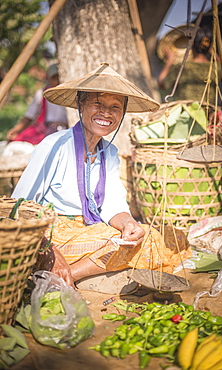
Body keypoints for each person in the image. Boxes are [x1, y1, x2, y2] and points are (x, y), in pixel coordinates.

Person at [12, 63, 192, 288]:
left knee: (168, 237)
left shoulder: (110, 152)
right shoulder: (54, 146)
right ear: (81, 104)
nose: (106, 113)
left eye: (115, 107)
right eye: (97, 103)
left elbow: (112, 204)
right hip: (50, 236)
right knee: (137, 244)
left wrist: (128, 224)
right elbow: (19, 206)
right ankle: (60, 272)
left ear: (123, 113)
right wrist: (49, 249)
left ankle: (67, 274)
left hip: (88, 230)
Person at [6, 64, 68, 145]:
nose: (57, 81)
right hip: (48, 128)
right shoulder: (41, 94)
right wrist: (16, 130)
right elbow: (29, 116)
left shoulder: (69, 93)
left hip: (66, 127)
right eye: (54, 78)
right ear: (48, 78)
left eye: (59, 77)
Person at [157, 26, 221, 104]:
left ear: (192, 45)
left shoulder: (183, 67)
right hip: (207, 113)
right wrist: (213, 51)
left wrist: (169, 61)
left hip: (186, 113)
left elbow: (161, 83)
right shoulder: (215, 68)